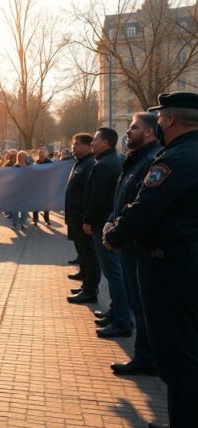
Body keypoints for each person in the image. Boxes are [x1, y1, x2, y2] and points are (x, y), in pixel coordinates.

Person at [103, 91, 198, 428]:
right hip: (185, 263)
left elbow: (145, 209)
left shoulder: (173, 159)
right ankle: (183, 422)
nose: (156, 123)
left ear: (169, 119)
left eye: (159, 118)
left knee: (179, 357)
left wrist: (114, 233)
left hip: (171, 268)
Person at [104, 112, 161, 376]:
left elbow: (142, 208)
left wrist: (115, 233)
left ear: (149, 132)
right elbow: (122, 199)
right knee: (139, 305)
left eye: (134, 127)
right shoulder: (136, 160)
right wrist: (110, 221)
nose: (128, 131)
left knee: (143, 307)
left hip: (137, 247)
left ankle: (147, 359)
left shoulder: (150, 160)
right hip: (127, 243)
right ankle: (145, 356)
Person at [85, 127, 130, 338]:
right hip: (107, 222)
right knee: (114, 272)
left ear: (106, 143)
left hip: (102, 224)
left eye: (95, 139)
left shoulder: (104, 164)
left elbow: (97, 197)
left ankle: (121, 319)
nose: (92, 142)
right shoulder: (111, 161)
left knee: (113, 273)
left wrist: (88, 221)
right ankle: (116, 311)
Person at [65, 133, 102, 304]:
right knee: (83, 253)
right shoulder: (80, 163)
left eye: (77, 144)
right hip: (75, 217)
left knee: (89, 254)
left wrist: (87, 218)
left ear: (88, 146)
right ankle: (85, 280)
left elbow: (92, 194)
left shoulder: (90, 164)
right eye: (73, 144)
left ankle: (90, 290)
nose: (73, 147)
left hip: (82, 218)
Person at [32, 147, 52, 226]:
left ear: (45, 154)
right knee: (35, 203)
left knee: (46, 204)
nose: (41, 154)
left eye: (42, 153)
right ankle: (35, 219)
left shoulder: (50, 162)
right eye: (39, 153)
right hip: (37, 186)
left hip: (46, 186)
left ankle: (47, 219)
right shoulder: (36, 163)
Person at [11, 151, 30, 229]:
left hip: (26, 190)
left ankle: (23, 223)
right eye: (19, 156)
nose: (20, 158)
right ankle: (14, 223)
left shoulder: (29, 166)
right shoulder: (15, 167)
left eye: (22, 156)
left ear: (25, 157)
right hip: (16, 190)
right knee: (15, 208)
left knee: (24, 208)